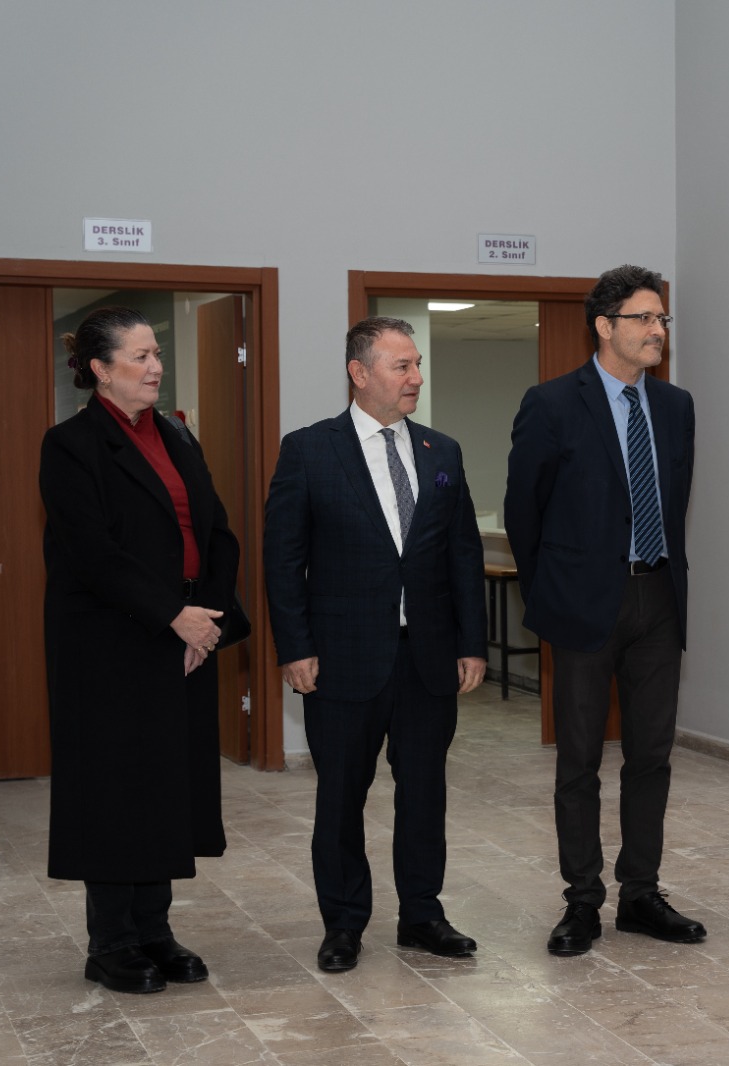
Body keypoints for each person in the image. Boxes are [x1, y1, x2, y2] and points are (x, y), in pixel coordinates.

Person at [263, 317, 487, 973]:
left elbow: (463, 554)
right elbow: (284, 560)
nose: (417, 377)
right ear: (359, 373)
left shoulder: (442, 451)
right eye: (402, 366)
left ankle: (422, 914)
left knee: (424, 794)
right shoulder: (309, 450)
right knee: (340, 797)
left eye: (417, 364)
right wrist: (294, 647)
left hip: (428, 659)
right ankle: (343, 924)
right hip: (341, 658)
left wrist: (472, 643)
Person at [504, 264, 704, 957]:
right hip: (583, 602)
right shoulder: (552, 404)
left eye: (661, 319)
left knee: (651, 756)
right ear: (604, 326)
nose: (657, 331)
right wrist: (550, 594)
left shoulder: (676, 407)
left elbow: (674, 501)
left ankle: (641, 894)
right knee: (580, 759)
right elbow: (524, 512)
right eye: (643, 318)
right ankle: (582, 900)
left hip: (659, 598)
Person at [40, 307, 240, 994]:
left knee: (166, 786)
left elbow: (216, 530)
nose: (157, 367)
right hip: (110, 643)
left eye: (157, 354)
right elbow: (93, 553)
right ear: (100, 369)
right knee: (114, 789)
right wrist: (172, 617)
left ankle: (155, 930)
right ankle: (113, 942)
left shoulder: (177, 434)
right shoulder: (71, 444)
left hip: (184, 635)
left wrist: (206, 622)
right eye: (141, 356)